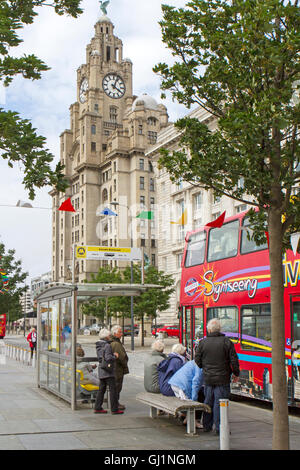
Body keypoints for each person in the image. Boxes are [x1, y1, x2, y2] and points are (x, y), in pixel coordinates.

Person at [195, 318, 240, 435]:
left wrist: (205, 368)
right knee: (220, 403)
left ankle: (207, 426)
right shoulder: (226, 342)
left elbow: (197, 360)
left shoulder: (202, 342)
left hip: (208, 378)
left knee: (208, 401)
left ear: (209, 330)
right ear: (219, 329)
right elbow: (234, 360)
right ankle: (220, 428)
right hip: (223, 378)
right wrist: (236, 373)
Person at [94, 328, 124, 415]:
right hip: (108, 371)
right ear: (107, 336)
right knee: (113, 390)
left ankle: (97, 407)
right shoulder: (106, 345)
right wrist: (115, 356)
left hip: (101, 369)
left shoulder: (98, 345)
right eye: (109, 335)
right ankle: (114, 409)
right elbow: (108, 358)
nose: (110, 337)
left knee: (101, 389)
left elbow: (101, 357)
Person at [168, 359, 204, 429]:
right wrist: (194, 399)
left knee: (186, 400)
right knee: (190, 402)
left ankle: (187, 419)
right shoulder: (200, 366)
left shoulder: (193, 362)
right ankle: (193, 422)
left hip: (175, 382)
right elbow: (195, 383)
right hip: (182, 385)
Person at [110, 325, 129, 410]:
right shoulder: (116, 344)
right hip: (117, 369)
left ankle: (115, 403)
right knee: (117, 387)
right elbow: (122, 357)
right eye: (120, 332)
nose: (122, 333)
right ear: (115, 333)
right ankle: (115, 404)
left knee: (116, 387)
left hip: (116, 369)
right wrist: (125, 363)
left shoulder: (114, 342)